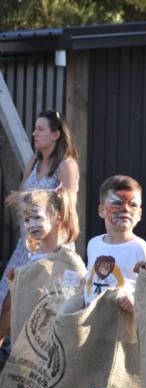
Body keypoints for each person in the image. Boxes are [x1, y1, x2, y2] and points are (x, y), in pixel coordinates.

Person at [0, 111, 80, 341]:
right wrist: (22, 201)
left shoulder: (67, 165)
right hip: (24, 247)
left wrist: (26, 198)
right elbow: (23, 200)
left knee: (43, 308)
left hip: (52, 248)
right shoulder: (33, 161)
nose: (34, 133)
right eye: (34, 128)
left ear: (56, 134)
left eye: (40, 129)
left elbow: (67, 207)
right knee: (5, 301)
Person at [84, 175, 146, 311]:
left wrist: (135, 300)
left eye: (133, 204)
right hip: (92, 324)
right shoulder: (94, 244)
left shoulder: (142, 249)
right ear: (101, 210)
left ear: (139, 214)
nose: (126, 209)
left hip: (123, 326)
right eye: (117, 203)